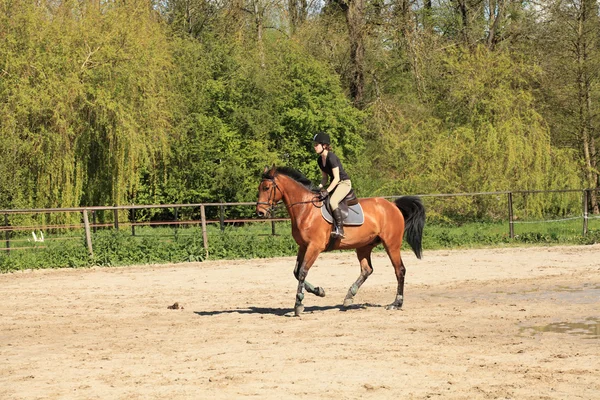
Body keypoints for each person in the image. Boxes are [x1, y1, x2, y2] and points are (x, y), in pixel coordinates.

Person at [313, 131, 352, 239]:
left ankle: (340, 229)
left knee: (333, 201)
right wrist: (319, 187)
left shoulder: (331, 157)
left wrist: (327, 191)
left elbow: (337, 178)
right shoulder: (320, 160)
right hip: (334, 184)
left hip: (343, 183)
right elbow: (325, 178)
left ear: (324, 146)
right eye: (314, 145)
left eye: (316, 144)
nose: (314, 147)